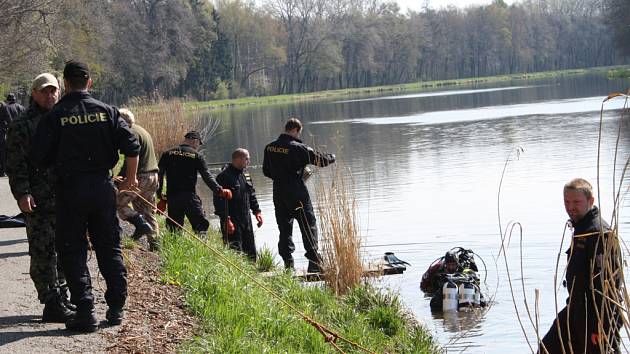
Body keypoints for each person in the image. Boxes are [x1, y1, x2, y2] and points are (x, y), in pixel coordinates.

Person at [31, 60, 140, 332]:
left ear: (65, 83)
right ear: (89, 82)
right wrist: (130, 177)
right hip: (102, 188)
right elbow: (132, 145)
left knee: (73, 251)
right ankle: (116, 308)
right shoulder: (107, 111)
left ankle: (85, 310)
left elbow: (38, 158)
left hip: (70, 190)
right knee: (108, 246)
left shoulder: (55, 116)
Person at [5, 73, 75, 322]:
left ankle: (63, 294)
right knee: (43, 251)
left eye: (54, 90)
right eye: (44, 91)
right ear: (34, 93)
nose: (50, 95)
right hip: (39, 200)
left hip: (66, 197)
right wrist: (23, 193)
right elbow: (15, 164)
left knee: (66, 249)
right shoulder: (22, 124)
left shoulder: (65, 117)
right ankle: (50, 301)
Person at [539, 178, 621, 354]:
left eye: (576, 202)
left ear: (590, 201)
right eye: (567, 202)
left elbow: (610, 285)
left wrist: (602, 325)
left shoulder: (600, 233)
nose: (570, 207)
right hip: (575, 311)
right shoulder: (581, 229)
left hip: (596, 317)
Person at [262, 117, 335, 272]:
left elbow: (266, 171)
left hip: (278, 192)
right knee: (308, 225)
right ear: (295, 130)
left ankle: (288, 263)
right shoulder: (298, 147)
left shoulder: (270, 147)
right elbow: (321, 161)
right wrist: (332, 157)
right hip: (296, 192)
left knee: (284, 227)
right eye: (299, 133)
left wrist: (280, 176)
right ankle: (314, 262)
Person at [157, 130, 230, 235]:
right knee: (201, 225)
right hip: (189, 196)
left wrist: (160, 196)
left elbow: (159, 175)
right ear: (194, 141)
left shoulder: (167, 153)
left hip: (172, 197)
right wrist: (219, 190)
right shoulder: (196, 156)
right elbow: (206, 176)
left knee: (174, 228)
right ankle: (202, 248)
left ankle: (174, 246)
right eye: (198, 144)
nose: (198, 146)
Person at [115, 108, 159, 250]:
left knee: (116, 203)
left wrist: (120, 179)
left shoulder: (130, 132)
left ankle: (140, 224)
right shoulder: (141, 130)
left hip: (140, 177)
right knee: (147, 211)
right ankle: (156, 245)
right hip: (153, 175)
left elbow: (131, 157)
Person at [213, 148, 262, 261]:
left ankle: (252, 273)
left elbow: (251, 194)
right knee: (235, 251)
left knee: (250, 251)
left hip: (246, 218)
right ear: (238, 159)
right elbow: (218, 201)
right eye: (247, 159)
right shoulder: (223, 176)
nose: (248, 161)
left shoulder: (246, 174)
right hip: (231, 219)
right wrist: (226, 220)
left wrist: (257, 211)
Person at [0, 93, 25, 176]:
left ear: (8, 100)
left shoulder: (5, 108)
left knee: (6, 151)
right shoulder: (21, 107)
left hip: (8, 132)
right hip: (22, 132)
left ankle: (5, 170)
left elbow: (5, 119)